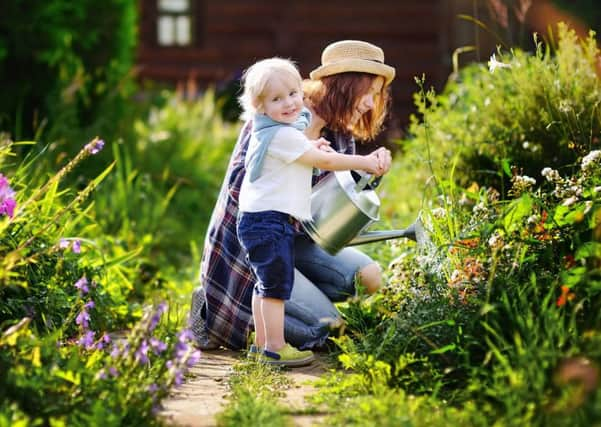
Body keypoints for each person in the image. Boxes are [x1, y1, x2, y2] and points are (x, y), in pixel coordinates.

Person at [189, 40, 395, 352]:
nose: (371, 103)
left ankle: (299, 309)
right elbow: (241, 189)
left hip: (296, 239)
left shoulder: (338, 129)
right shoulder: (281, 115)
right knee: (328, 331)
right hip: (254, 248)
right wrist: (307, 152)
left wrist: (369, 172)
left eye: (378, 93)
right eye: (369, 91)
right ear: (346, 85)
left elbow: (331, 203)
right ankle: (217, 311)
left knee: (368, 276)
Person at [235, 57, 386, 366]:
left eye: (294, 94)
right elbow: (323, 163)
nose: (291, 103)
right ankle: (276, 347)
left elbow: (309, 161)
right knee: (275, 287)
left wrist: (318, 149)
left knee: (267, 285)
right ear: (260, 106)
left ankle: (264, 344)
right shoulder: (282, 133)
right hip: (269, 223)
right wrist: (365, 162)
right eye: (278, 99)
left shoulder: (279, 130)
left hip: (270, 225)